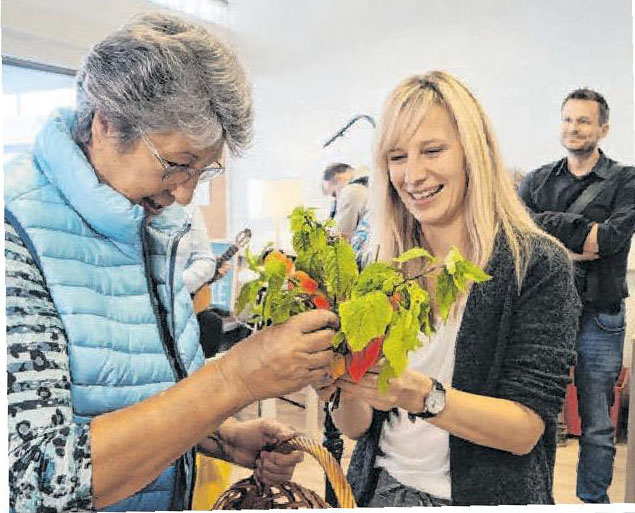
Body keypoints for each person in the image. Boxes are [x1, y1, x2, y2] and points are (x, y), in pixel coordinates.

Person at [6, 13, 337, 512]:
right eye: (177, 165)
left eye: (201, 173)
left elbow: (138, 392)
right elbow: (33, 482)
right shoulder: (16, 237)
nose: (183, 195)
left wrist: (219, 437)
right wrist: (235, 379)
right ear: (105, 123)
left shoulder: (150, 226)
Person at [317, 71, 581, 506]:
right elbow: (361, 427)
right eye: (397, 157)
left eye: (433, 151)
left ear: (472, 154)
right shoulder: (380, 266)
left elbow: (525, 430)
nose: (413, 175)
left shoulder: (534, 265)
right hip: (379, 492)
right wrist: (340, 384)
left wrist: (421, 395)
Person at [518, 88, 635, 504]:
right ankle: (536, 499)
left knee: (598, 423)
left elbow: (609, 240)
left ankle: (592, 503)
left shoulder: (627, 180)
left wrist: (548, 232)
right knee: (536, 414)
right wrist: (577, 233)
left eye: (584, 121)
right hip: (544, 314)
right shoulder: (537, 180)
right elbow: (520, 234)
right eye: (568, 119)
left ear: (603, 129)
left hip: (600, 316)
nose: (574, 128)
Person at [321, 162, 368, 240]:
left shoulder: (352, 191)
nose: (337, 200)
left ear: (338, 179)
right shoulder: (372, 181)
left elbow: (341, 237)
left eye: (334, 194)